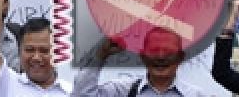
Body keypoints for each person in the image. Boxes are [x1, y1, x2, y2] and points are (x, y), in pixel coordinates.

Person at [72, 28, 207, 97]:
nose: (160, 57)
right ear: (142, 56)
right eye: (154, 50)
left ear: (180, 57)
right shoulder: (123, 91)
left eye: (168, 51)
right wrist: (100, 56)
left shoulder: (194, 95)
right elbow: (81, 94)